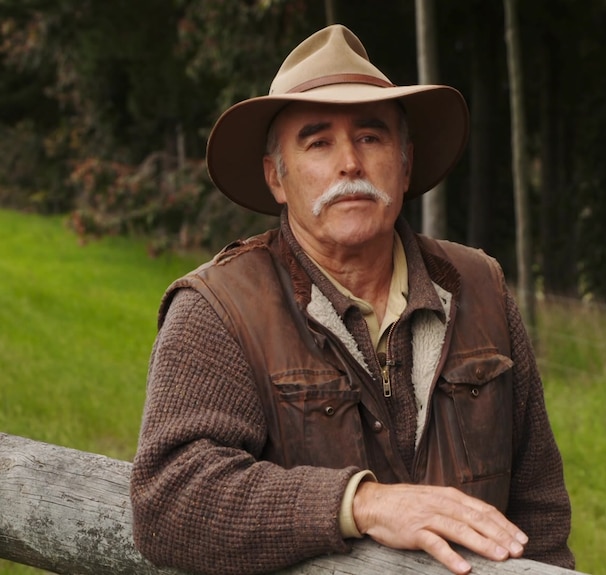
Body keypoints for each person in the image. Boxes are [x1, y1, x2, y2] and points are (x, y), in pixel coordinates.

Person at [130, 24, 574, 575]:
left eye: (371, 137)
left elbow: (541, 511)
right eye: (318, 142)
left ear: (405, 162)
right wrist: (361, 503)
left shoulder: (479, 286)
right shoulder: (218, 307)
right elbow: (169, 500)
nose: (350, 164)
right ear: (276, 176)